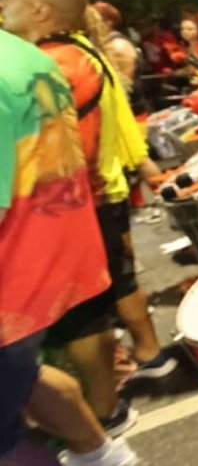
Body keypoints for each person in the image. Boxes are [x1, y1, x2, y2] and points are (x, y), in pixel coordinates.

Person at [2, 0, 176, 430]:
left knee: (85, 312)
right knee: (96, 301)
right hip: (85, 198)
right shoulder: (72, 55)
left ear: (40, 10)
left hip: (74, 202)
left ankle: (105, 412)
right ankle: (108, 408)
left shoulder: (51, 61)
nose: (3, 7)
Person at [0, 28, 138, 466]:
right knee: (25, 380)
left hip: (11, 271)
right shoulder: (23, 52)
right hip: (43, 254)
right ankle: (104, 457)